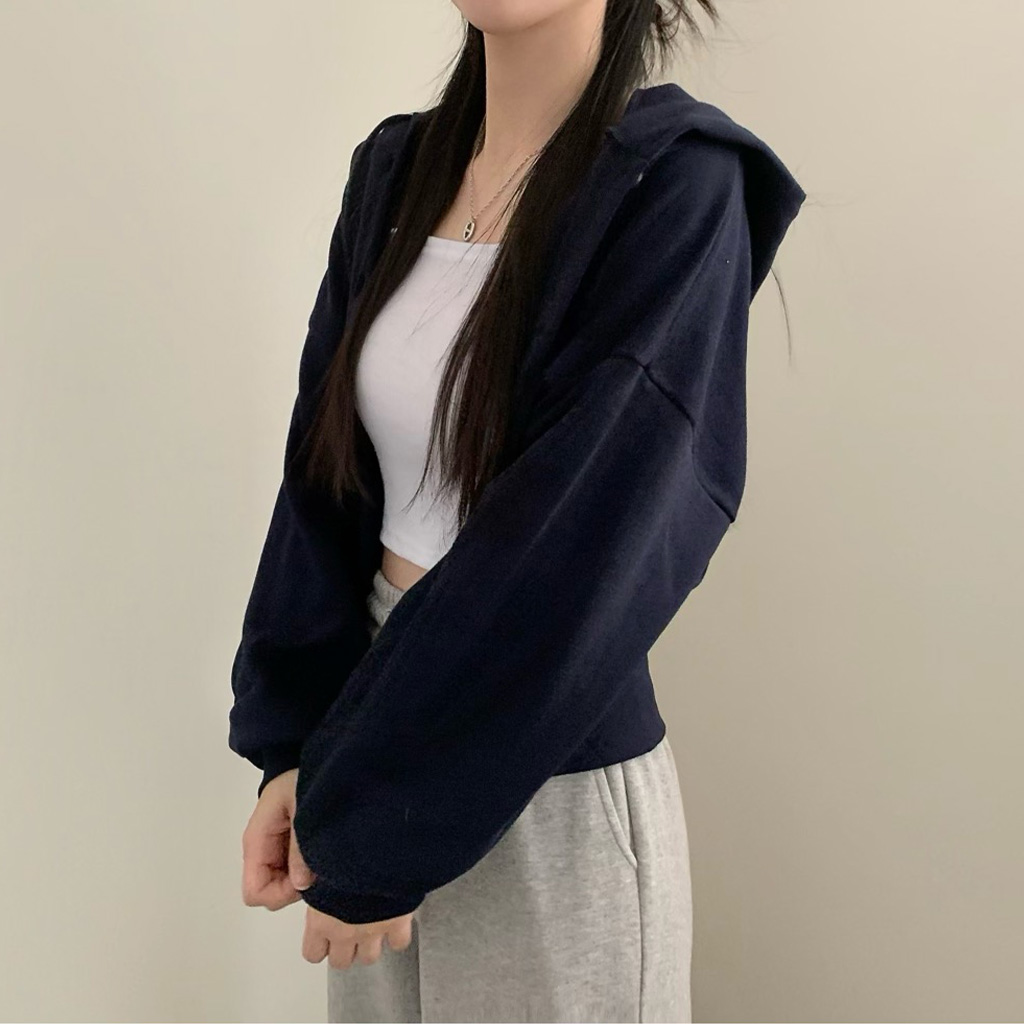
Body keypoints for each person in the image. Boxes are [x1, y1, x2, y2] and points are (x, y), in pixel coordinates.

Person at [228, 1, 806, 1021]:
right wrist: (296, 742)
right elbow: (323, 481)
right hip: (364, 756)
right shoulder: (395, 172)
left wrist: (370, 821)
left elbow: (574, 553)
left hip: (548, 794)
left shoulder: (677, 185)